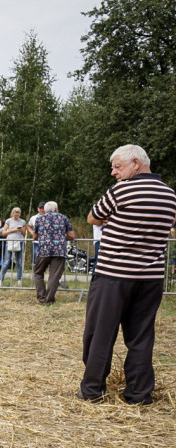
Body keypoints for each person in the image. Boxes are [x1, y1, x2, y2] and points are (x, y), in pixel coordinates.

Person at [79, 145, 176, 405]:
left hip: (113, 274)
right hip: (150, 277)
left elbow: (92, 217)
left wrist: (112, 221)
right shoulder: (170, 195)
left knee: (100, 333)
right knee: (142, 336)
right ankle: (139, 394)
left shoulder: (122, 190)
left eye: (117, 166)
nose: (113, 172)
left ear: (136, 162)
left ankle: (92, 389)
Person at [31, 201, 74, 306]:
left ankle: (41, 298)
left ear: (45, 210)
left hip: (43, 250)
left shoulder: (39, 219)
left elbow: (34, 236)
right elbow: (72, 236)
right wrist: (62, 237)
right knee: (54, 276)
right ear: (56, 209)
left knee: (38, 273)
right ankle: (49, 300)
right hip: (59, 251)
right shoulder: (64, 218)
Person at [0, 207, 26, 286]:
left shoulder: (23, 221)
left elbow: (24, 234)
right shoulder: (8, 221)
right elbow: (3, 233)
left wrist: (21, 230)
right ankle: (1, 280)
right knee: (7, 262)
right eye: (15, 215)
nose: (17, 216)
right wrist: (13, 230)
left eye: (18, 215)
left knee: (19, 262)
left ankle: (19, 280)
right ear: (12, 213)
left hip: (20, 242)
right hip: (10, 242)